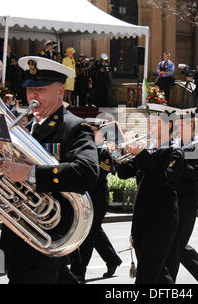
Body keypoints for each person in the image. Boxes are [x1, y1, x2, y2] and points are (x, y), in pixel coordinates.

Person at [0, 56, 100, 284]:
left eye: (40, 89)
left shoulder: (74, 127)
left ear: (60, 92)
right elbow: (18, 172)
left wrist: (31, 174)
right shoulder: (26, 128)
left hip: (48, 235)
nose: (32, 96)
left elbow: (88, 172)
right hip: (21, 235)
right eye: (29, 89)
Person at [116, 103, 184, 284]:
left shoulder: (175, 153)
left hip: (161, 219)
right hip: (142, 217)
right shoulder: (150, 150)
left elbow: (162, 180)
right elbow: (124, 174)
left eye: (154, 123)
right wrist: (120, 152)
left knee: (147, 273)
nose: (149, 128)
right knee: (158, 273)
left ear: (168, 125)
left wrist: (141, 153)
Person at [162, 108, 198, 284]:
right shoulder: (176, 143)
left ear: (192, 125)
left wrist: (178, 161)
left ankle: (170, 281)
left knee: (177, 242)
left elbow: (195, 173)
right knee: (174, 241)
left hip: (188, 198)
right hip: (173, 195)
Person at [69, 118, 122, 282]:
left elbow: (98, 176)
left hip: (98, 196)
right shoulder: (83, 148)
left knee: (88, 234)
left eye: (92, 131)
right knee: (94, 231)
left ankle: (79, 271)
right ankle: (112, 259)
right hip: (84, 195)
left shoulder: (104, 151)